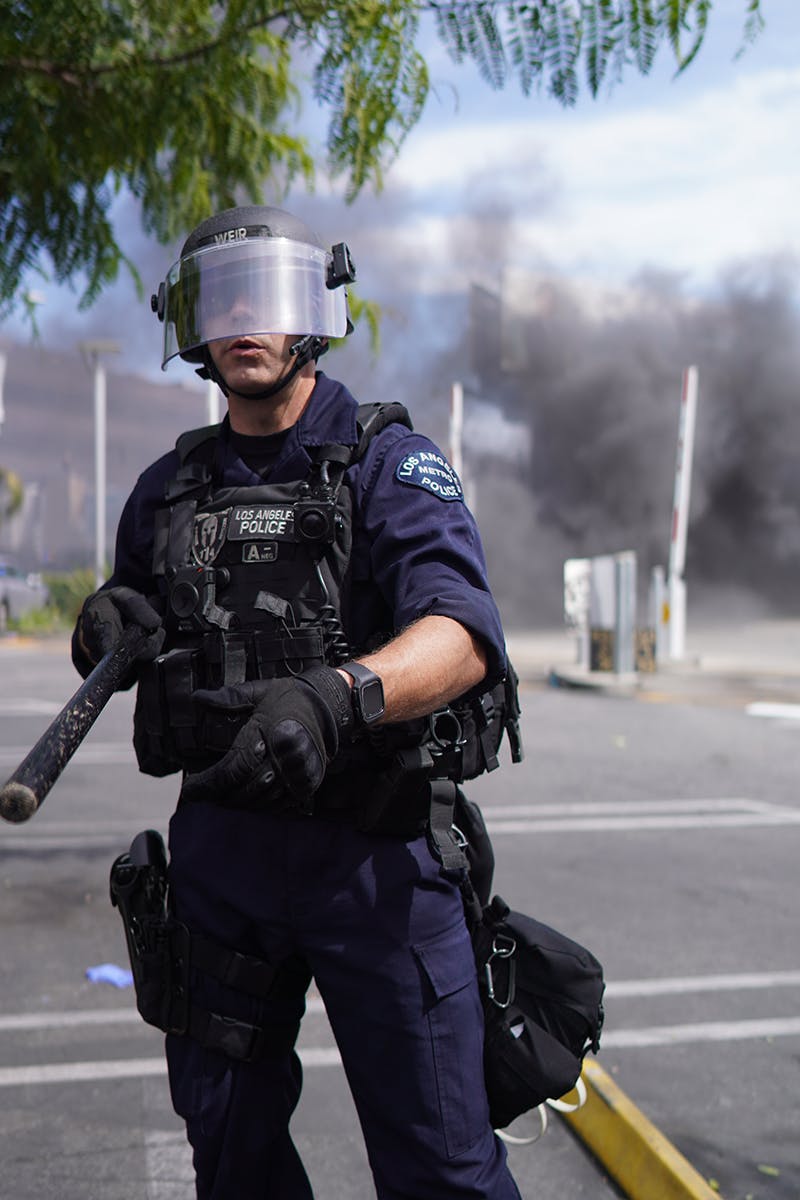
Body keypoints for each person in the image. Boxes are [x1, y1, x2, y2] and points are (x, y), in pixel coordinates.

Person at [72, 204, 523, 1200]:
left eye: (263, 297)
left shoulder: (384, 465)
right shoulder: (163, 492)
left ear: (311, 314)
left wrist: (340, 699)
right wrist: (109, 623)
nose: (243, 322)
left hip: (377, 860)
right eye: (218, 299)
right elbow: (134, 615)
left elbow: (462, 634)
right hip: (222, 864)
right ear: (186, 323)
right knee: (231, 1161)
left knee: (441, 1170)